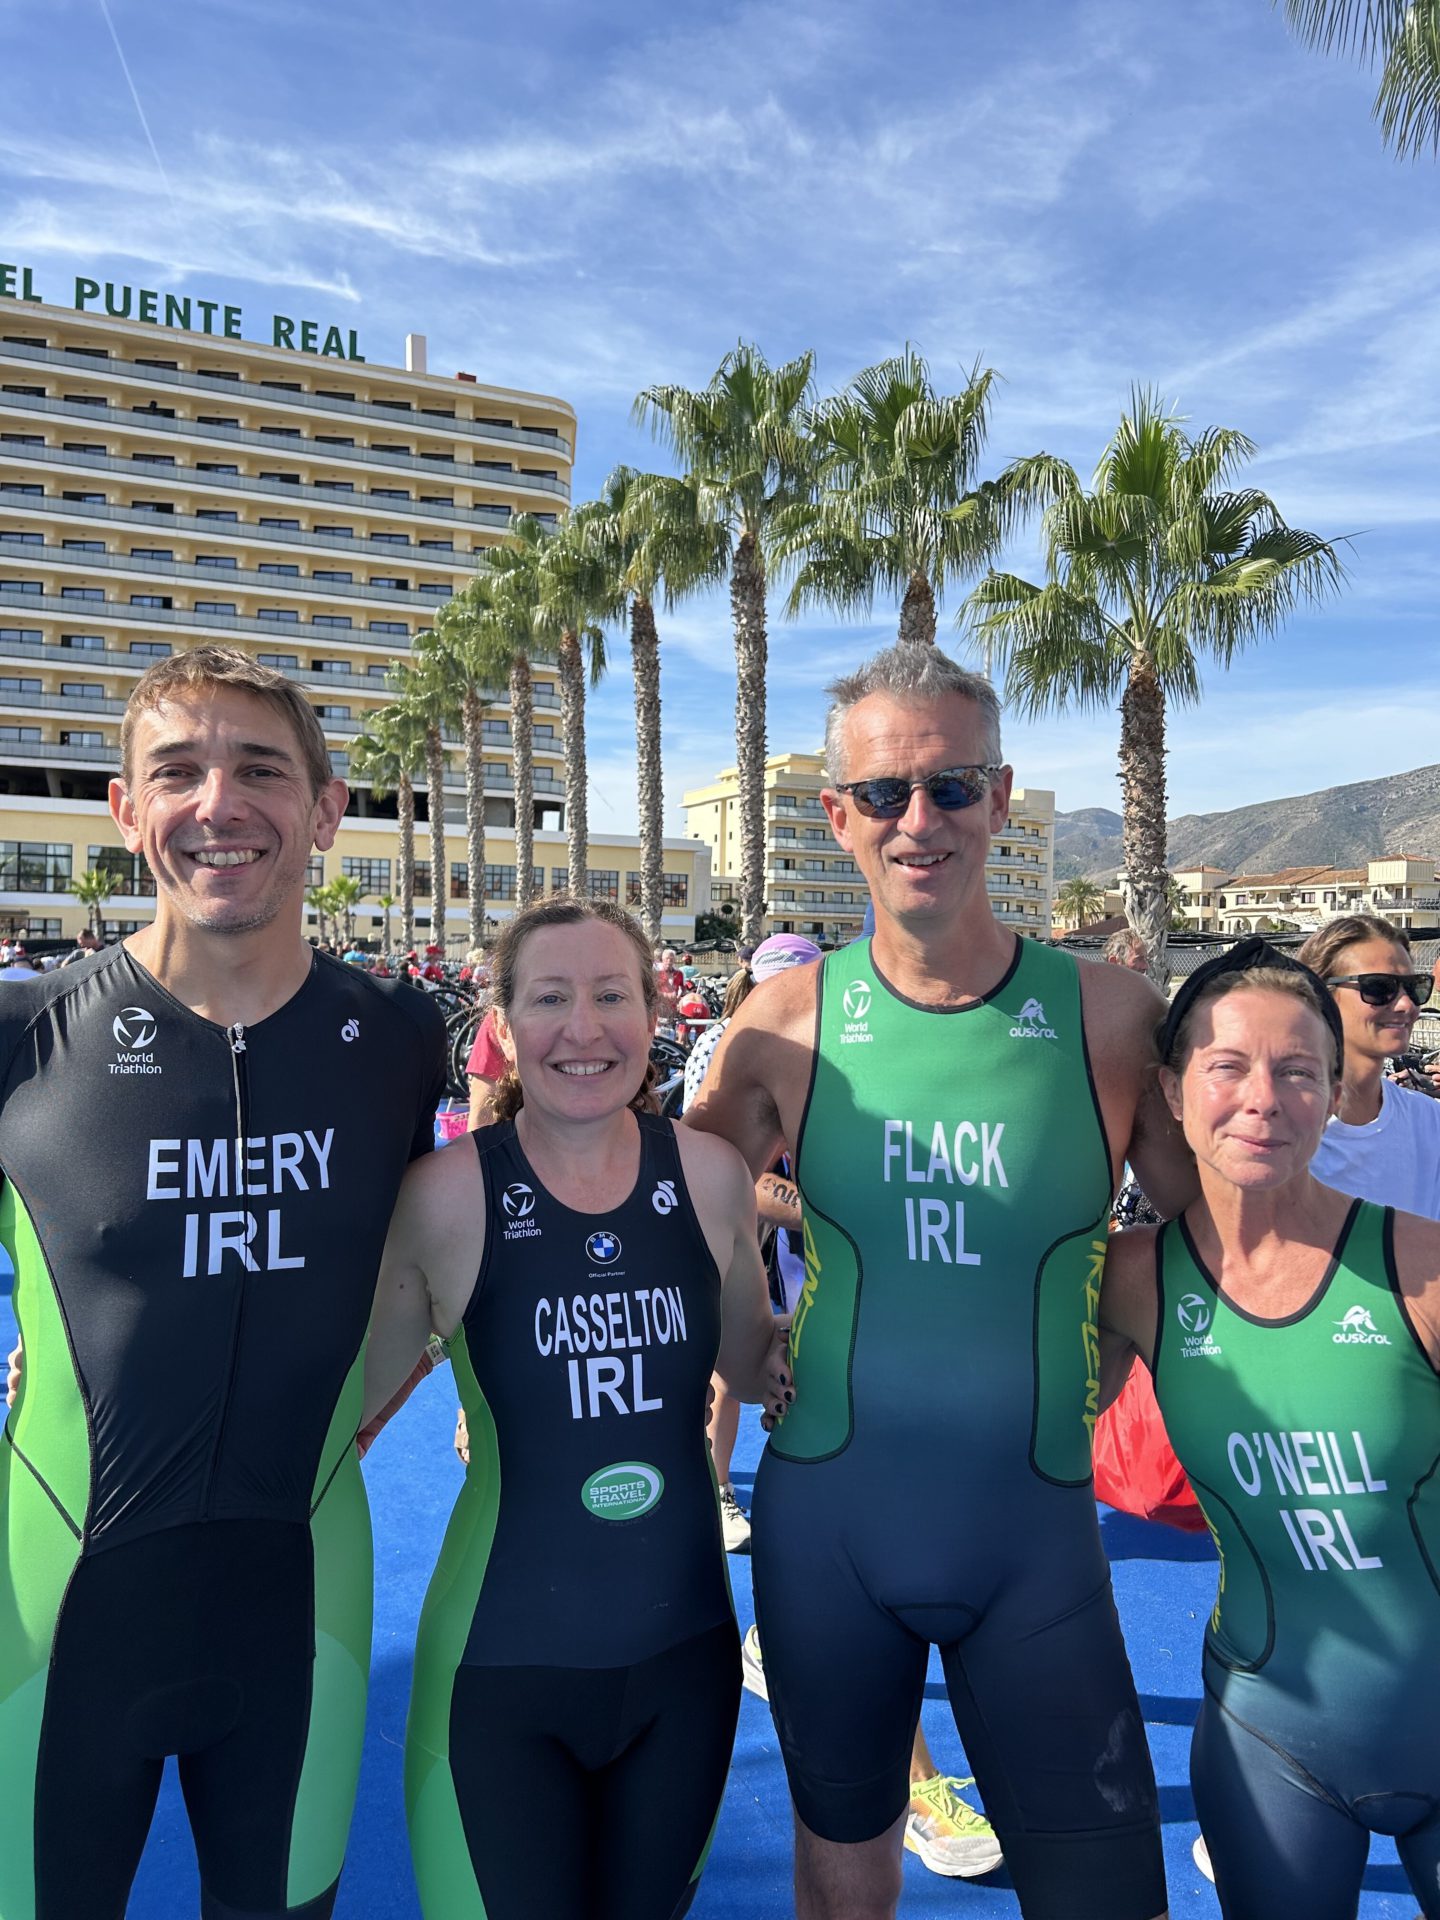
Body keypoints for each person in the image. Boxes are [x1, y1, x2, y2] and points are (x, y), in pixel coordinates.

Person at [686, 643, 1185, 1920]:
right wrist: (749, 1345)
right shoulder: (783, 1025)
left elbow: (1214, 1240)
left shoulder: (1113, 1015)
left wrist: (1107, 1353)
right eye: (887, 793)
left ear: (1003, 795)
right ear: (835, 814)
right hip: (829, 1530)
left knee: (1106, 1889)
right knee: (843, 1884)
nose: (922, 821)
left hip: (1036, 1537)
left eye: (953, 787)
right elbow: (668, 1213)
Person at [0, 645, 446, 1918]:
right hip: (55, 1601)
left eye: (258, 768)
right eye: (176, 772)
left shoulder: (398, 1041)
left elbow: (448, 1254)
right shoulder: (27, 1038)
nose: (218, 804)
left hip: (299, 1601)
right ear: (126, 810)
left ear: (325, 809)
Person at [360, 895, 793, 1920]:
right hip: (498, 1680)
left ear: (659, 1014)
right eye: (550, 998)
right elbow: (343, 1408)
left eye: (612, 995)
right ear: (504, 1028)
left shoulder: (712, 1180)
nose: (585, 1028)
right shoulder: (445, 1197)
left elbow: (757, 1360)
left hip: (684, 1671)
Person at [1099, 939, 1440, 1920]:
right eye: (1228, 1065)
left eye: (1298, 1072)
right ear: (1171, 1089)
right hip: (1270, 1742)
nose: (1263, 1098)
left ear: (1335, 1093)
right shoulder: (1129, 1280)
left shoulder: (1417, 1265)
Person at [684, 934, 822, 1554]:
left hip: (806, 1256)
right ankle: (716, 1489)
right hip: (746, 1241)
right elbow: (717, 1169)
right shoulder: (722, 1045)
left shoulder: (838, 1050)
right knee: (726, 1369)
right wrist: (824, 1218)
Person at [1296, 913, 1440, 1218]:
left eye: (1414, 987)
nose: (1407, 1005)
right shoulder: (1281, 1131)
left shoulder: (1430, 1124)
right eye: (1378, 987)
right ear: (1320, 995)